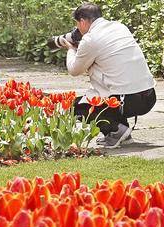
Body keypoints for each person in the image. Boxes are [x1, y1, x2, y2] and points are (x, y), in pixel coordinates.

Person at [63, 3, 156, 148]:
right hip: (149, 96)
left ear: (82, 21)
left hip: (128, 101)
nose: (77, 28)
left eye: (77, 23)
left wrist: (70, 49)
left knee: (75, 107)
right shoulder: (119, 27)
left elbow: (74, 70)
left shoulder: (91, 39)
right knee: (111, 88)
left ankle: (117, 131)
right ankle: (123, 134)